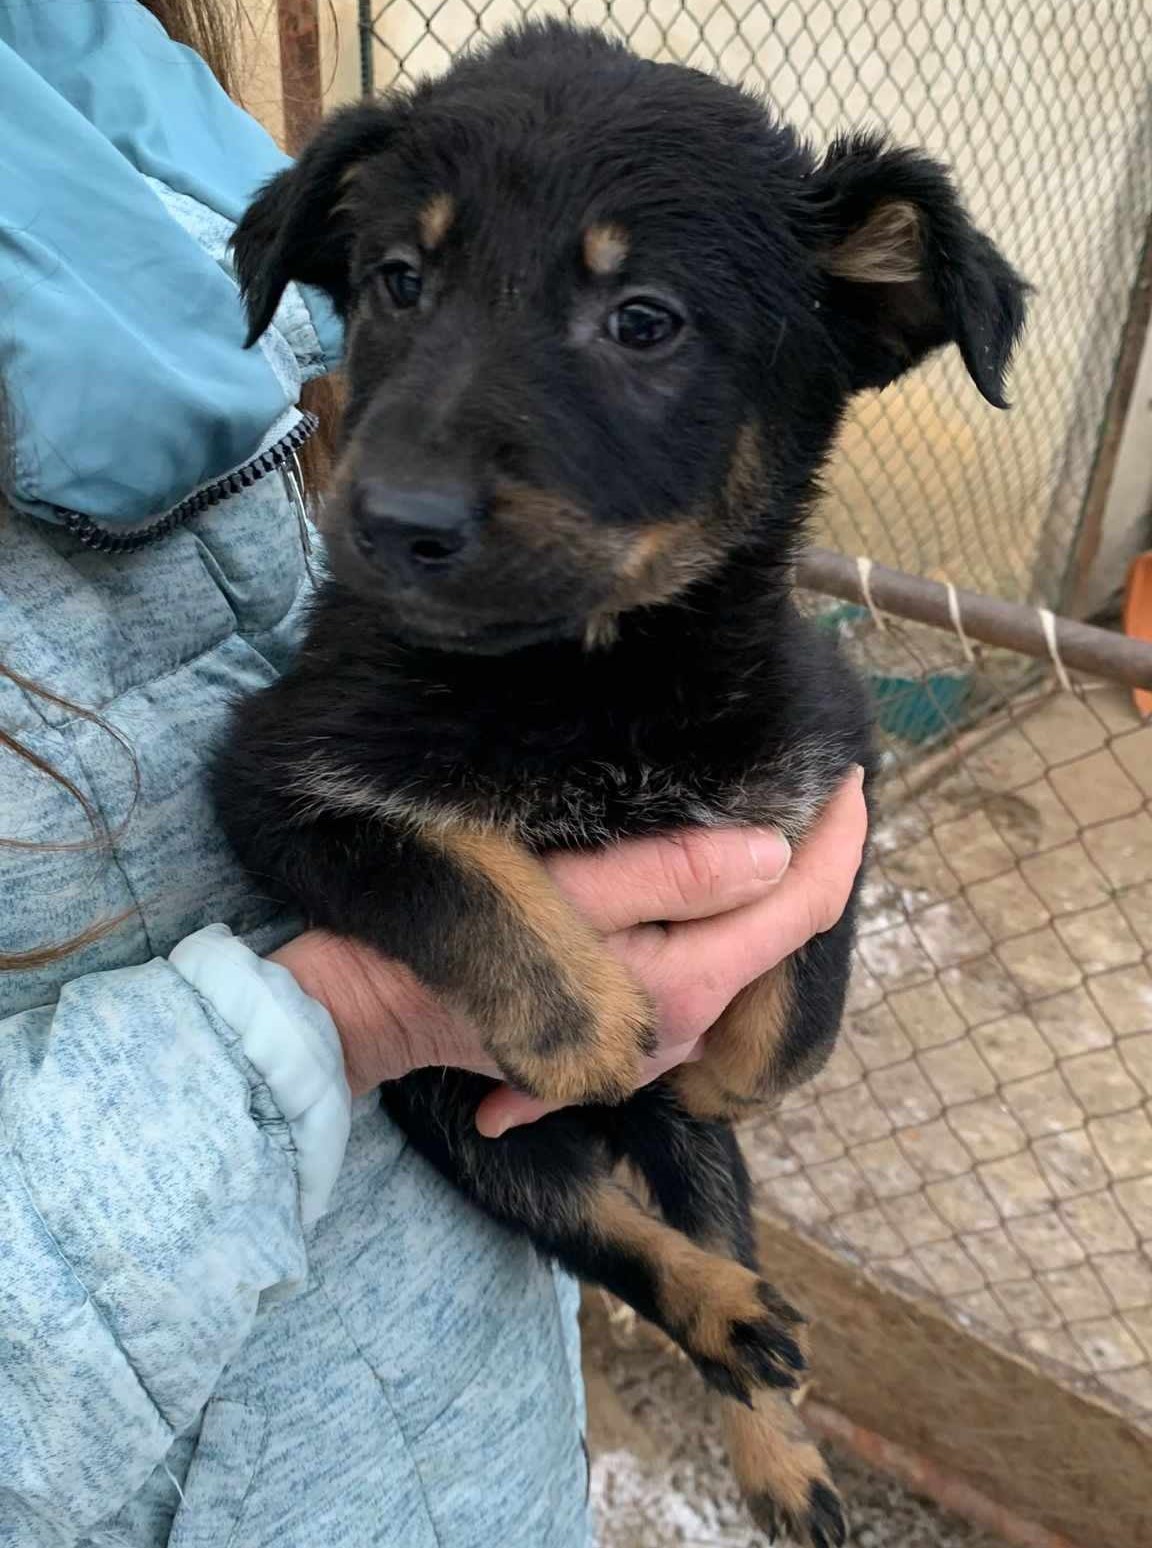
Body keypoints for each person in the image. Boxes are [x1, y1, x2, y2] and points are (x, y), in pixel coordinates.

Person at [0, 3, 868, 1544]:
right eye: (402, 283)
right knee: (533, 1136)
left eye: (641, 323)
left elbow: (816, 821)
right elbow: (288, 787)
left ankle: (751, 1389)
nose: (409, 476)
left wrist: (757, 1038)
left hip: (474, 1429)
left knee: (702, 1113)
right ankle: (679, 1286)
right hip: (227, 1461)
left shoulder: (105, 56)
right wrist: (372, 1011)